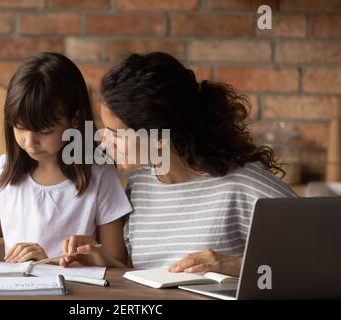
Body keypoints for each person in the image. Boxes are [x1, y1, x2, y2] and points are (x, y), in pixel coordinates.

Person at [60, 52, 296, 276]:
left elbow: (324, 256)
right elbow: (149, 274)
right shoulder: (140, 185)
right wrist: (106, 262)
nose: (104, 144)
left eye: (117, 134)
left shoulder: (243, 184)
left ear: (159, 139)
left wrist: (236, 265)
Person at [0, 53, 132, 265]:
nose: (30, 142)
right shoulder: (3, 171)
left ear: (74, 120)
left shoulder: (99, 174)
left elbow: (117, 261)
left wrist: (52, 262)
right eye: (20, 128)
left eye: (44, 131)